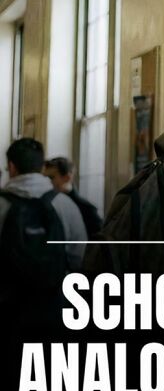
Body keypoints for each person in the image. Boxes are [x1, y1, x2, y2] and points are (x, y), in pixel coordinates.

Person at [0, 138, 87, 329]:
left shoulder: (2, 205)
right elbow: (79, 257)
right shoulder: (65, 205)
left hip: (7, 309)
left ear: (12, 167)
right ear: (41, 167)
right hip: (53, 308)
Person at [44, 156, 103, 239]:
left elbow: (97, 243)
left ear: (67, 178)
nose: (46, 181)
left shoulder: (86, 209)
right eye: (44, 177)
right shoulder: (44, 203)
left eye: (51, 177)